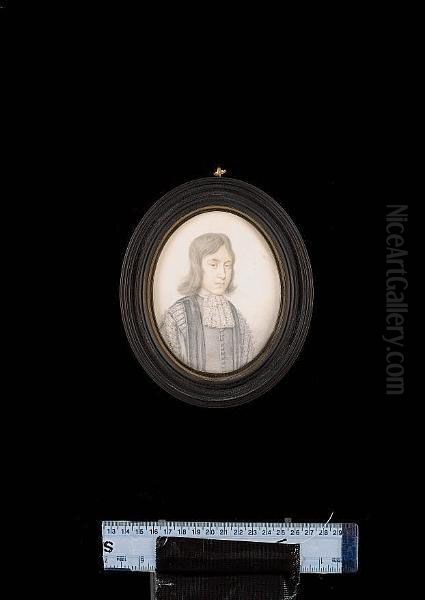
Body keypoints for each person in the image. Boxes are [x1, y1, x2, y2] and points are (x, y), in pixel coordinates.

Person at [160, 233, 254, 373]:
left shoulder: (236, 316)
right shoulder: (178, 315)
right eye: (213, 265)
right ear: (197, 267)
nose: (222, 274)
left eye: (227, 265)